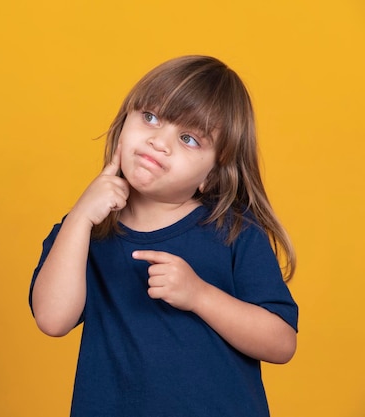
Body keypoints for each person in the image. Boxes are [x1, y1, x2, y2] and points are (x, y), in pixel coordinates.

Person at [28, 55, 298, 417]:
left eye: (188, 139)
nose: (159, 141)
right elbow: (52, 319)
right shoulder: (86, 230)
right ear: (124, 122)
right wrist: (79, 218)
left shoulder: (235, 230)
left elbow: (281, 343)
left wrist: (199, 295)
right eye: (150, 117)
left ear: (212, 176)